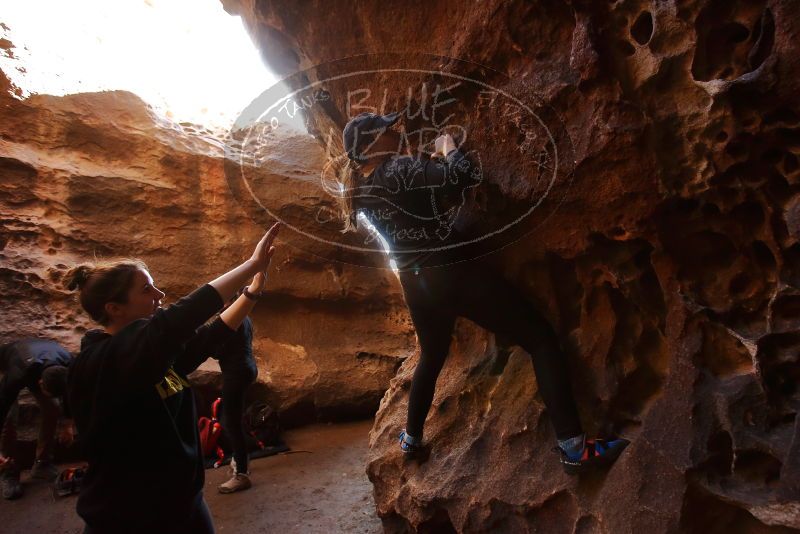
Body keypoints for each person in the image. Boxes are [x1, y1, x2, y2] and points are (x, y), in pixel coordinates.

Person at [337, 112, 629, 474]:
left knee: (432, 353)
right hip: (448, 274)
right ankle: (573, 448)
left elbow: (417, 202)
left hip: (416, 284)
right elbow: (464, 177)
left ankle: (411, 440)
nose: (395, 131)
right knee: (539, 338)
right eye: (387, 130)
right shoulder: (398, 169)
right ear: (371, 145)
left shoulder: (362, 189)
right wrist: (448, 149)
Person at [65, 223, 280, 534]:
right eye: (146, 290)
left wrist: (252, 292)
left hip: (181, 502)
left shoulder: (146, 354)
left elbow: (207, 338)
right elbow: (180, 317)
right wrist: (251, 265)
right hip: (129, 516)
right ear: (114, 309)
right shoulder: (105, 361)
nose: (159, 294)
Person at [0, 338, 73, 499]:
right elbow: (2, 406)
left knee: (53, 407)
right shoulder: (18, 374)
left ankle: (42, 463)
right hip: (10, 363)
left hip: (41, 362)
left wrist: (67, 424)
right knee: (9, 419)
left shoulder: (69, 365)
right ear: (40, 383)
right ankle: (8, 471)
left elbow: (69, 394)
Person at [215, 289, 259, 494]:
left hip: (236, 372)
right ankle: (240, 460)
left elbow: (215, 349)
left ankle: (241, 473)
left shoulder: (232, 318)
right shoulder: (244, 315)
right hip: (246, 368)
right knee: (235, 418)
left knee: (229, 421)